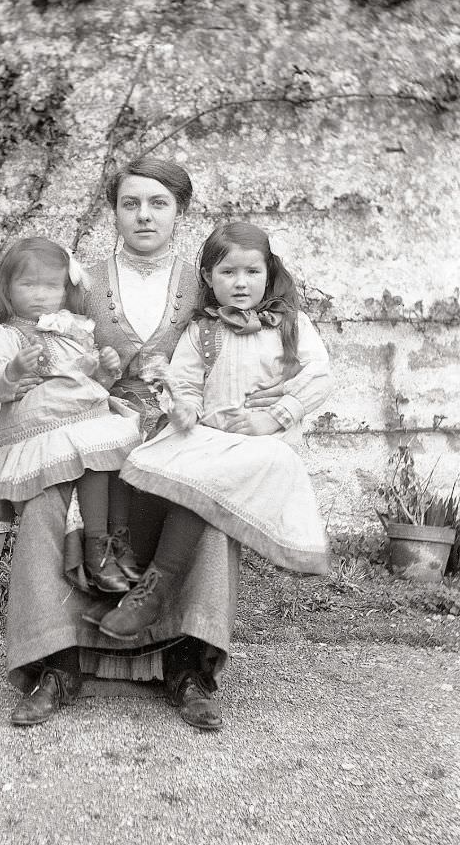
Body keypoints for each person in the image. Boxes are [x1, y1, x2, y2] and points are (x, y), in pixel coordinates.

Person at [5, 160, 297, 732]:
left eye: (158, 203)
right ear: (113, 211)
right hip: (92, 432)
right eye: (130, 203)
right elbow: (42, 356)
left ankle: (187, 668)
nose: (143, 215)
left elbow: (249, 358)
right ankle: (58, 664)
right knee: (45, 505)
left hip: (179, 431)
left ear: (179, 212)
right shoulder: (79, 283)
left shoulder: (207, 281)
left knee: (207, 503)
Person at [97, 221, 333, 640]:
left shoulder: (290, 325)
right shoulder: (202, 328)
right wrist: (184, 407)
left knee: (201, 481)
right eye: (228, 273)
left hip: (261, 447)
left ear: (269, 273)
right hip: (210, 436)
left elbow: (319, 377)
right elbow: (184, 381)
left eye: (252, 272)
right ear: (208, 277)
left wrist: (275, 415)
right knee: (148, 461)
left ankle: (155, 588)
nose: (240, 284)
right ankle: (133, 559)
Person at [0, 236, 143, 593]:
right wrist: (12, 370)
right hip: (44, 427)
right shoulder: (7, 334)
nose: (40, 294)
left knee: (124, 454)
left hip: (86, 416)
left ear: (65, 290)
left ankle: (118, 541)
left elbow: (87, 378)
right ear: (7, 289)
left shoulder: (72, 328)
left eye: (51, 286)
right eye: (28, 284)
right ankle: (96, 547)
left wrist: (105, 369)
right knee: (95, 455)